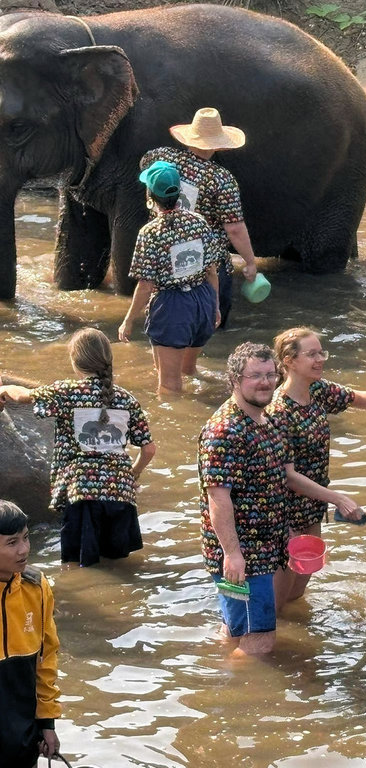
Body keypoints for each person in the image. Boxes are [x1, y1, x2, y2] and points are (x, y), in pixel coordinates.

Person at [197, 342, 366, 655]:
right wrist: (232, 553)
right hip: (246, 554)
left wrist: (331, 501)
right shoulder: (225, 431)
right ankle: (233, 683)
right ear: (234, 380)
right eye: (255, 376)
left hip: (267, 544)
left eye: (269, 375)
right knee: (260, 639)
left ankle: (220, 669)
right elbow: (218, 499)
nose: (264, 382)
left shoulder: (268, 421)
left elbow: (285, 478)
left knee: (236, 630)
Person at [268, 327, 366, 607]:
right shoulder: (278, 411)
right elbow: (288, 476)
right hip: (282, 511)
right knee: (278, 601)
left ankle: (297, 633)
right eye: (312, 354)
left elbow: (356, 397)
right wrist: (338, 499)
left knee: (299, 591)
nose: (320, 360)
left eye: (322, 353)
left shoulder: (317, 390)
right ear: (290, 361)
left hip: (311, 506)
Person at [0, 329, 156, 567]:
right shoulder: (128, 400)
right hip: (121, 496)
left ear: (74, 360)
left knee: (80, 567)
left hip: (82, 494)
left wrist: (4, 389)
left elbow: (24, 397)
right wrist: (132, 474)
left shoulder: (67, 392)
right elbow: (149, 450)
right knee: (119, 567)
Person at [140, 107, 258, 328]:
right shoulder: (222, 180)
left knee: (165, 324)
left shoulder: (161, 157)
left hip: (164, 258)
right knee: (210, 327)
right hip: (206, 263)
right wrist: (250, 262)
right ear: (218, 144)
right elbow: (234, 229)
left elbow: (144, 166)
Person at [119, 160, 221, 395]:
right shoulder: (199, 222)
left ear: (150, 195)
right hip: (203, 301)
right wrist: (215, 307)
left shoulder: (150, 233)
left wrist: (129, 320)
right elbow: (212, 271)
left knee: (168, 384)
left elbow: (146, 286)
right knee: (188, 371)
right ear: (179, 192)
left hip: (172, 307)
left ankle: (171, 417)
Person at [0, 501, 60, 766]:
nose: (24, 549)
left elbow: (46, 658)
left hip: (22, 733)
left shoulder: (36, 586)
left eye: (26, 537)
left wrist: (47, 722)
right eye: (12, 542)